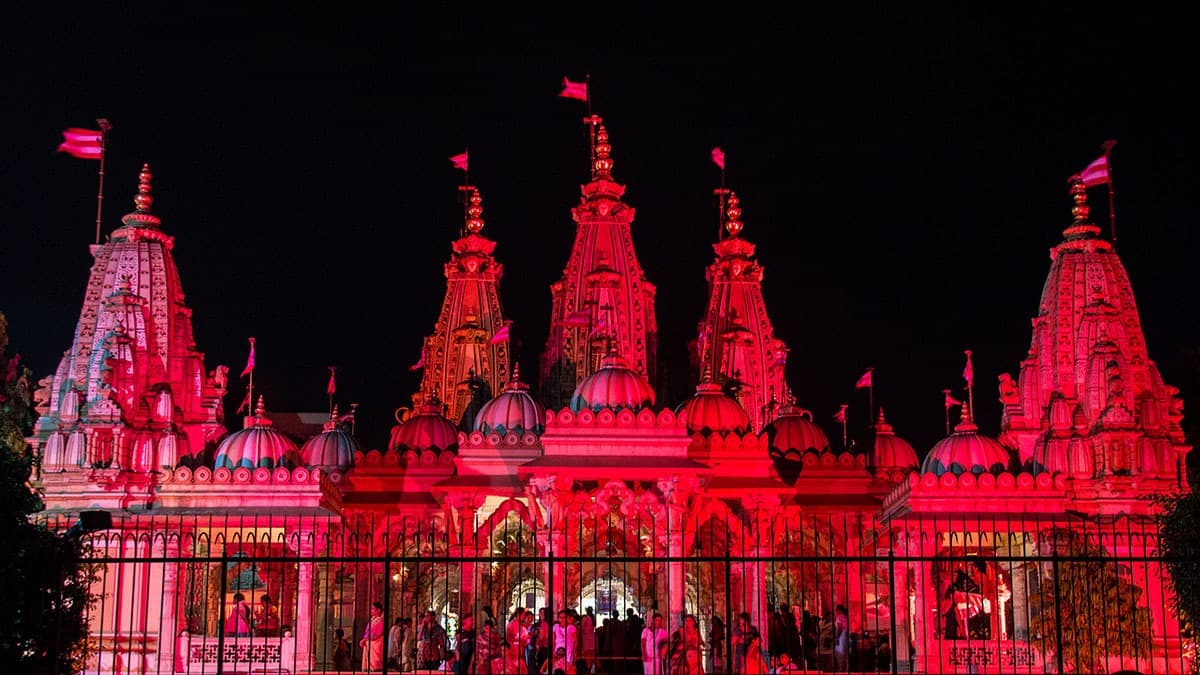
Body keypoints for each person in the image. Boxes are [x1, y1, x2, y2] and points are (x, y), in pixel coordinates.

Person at [362, 602, 387, 671]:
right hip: (369, 644)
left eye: (373, 609)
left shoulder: (380, 621)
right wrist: (364, 640)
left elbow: (377, 634)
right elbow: (367, 632)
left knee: (375, 665)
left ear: (378, 610)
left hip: (375, 644)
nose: (371, 610)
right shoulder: (372, 619)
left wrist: (366, 639)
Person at [833, 605, 849, 673]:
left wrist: (836, 638)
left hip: (842, 635)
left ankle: (841, 669)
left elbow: (839, 628)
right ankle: (845, 669)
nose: (835, 612)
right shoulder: (846, 617)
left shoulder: (839, 617)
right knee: (845, 653)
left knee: (839, 653)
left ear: (839, 610)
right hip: (846, 634)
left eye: (836, 610)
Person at [580, 606, 597, 674]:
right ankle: (591, 668)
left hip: (586, 639)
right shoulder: (592, 618)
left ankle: (588, 670)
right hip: (591, 639)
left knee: (587, 656)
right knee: (591, 655)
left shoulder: (586, 618)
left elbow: (581, 627)